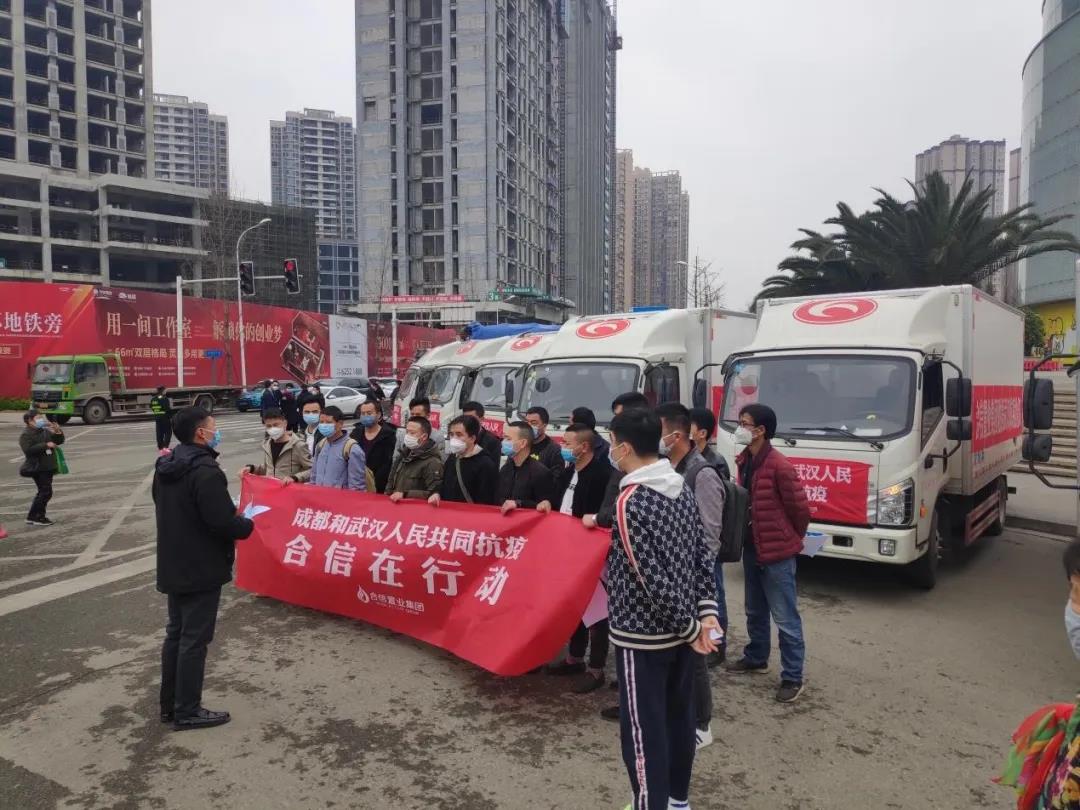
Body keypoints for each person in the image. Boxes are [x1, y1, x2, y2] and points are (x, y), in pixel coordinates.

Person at [605, 408, 720, 810]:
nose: (610, 451)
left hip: (643, 637)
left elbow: (650, 578)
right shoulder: (679, 486)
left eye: (611, 443)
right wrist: (705, 615)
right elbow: (701, 556)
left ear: (624, 447)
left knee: (643, 733)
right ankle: (677, 801)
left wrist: (691, 627)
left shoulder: (630, 501)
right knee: (679, 720)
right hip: (683, 633)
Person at [153, 406, 254, 730]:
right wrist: (247, 524)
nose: (216, 431)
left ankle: (170, 705)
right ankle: (187, 710)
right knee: (194, 639)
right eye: (213, 426)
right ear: (201, 433)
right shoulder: (206, 471)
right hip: (201, 565)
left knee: (177, 634)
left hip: (174, 562)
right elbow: (222, 522)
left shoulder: (166, 465)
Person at [726, 403, 810, 704]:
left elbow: (800, 510)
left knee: (785, 617)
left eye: (744, 423)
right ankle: (756, 657)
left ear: (760, 430)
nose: (740, 428)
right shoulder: (745, 459)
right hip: (752, 547)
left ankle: (792, 677)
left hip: (777, 553)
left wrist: (789, 539)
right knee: (755, 609)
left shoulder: (779, 466)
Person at [656, 402, 726, 750]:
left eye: (660, 432)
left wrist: (697, 584)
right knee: (678, 652)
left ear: (677, 436)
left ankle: (702, 723)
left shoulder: (702, 473)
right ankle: (679, 714)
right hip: (672, 576)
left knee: (696, 653)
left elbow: (709, 537)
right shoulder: (669, 469)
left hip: (692, 580)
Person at [538, 423, 613, 693]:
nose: (563, 448)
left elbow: (605, 515)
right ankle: (575, 657)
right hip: (567, 552)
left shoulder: (603, 475)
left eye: (568, 444)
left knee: (597, 612)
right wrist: (548, 503)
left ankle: (596, 669)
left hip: (592, 554)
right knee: (575, 606)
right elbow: (559, 500)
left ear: (584, 447)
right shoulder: (569, 471)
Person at [584, 392, 651, 532]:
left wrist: (596, 519)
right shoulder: (620, 466)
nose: (614, 422)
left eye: (618, 416)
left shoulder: (640, 491)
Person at [429, 415, 499, 507]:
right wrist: (436, 493)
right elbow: (444, 483)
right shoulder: (453, 458)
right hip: (448, 511)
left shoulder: (485, 464)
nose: (454, 439)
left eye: (459, 435)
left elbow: (485, 500)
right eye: (451, 434)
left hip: (469, 514)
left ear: (472, 438)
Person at [496, 421, 555, 515]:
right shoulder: (505, 469)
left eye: (508, 439)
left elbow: (544, 507)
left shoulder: (540, 473)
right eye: (504, 438)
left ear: (523, 443)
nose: (503, 442)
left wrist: (519, 504)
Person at [19, 409, 65, 527]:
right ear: (30, 420)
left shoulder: (44, 431)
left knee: (44, 492)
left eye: (41, 417)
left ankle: (32, 516)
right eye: (38, 418)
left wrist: (58, 431)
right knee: (46, 492)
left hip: (47, 466)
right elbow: (28, 450)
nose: (41, 420)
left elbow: (59, 441)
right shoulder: (26, 434)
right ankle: (38, 517)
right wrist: (45, 445)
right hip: (38, 467)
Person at [242, 407, 311, 483]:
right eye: (269, 426)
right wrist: (252, 468)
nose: (272, 429)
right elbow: (268, 468)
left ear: (285, 423)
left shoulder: (298, 445)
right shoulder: (267, 445)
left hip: (290, 489)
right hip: (272, 488)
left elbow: (312, 470)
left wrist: (295, 478)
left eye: (276, 425)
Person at [310, 406, 368, 491]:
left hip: (340, 498)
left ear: (340, 424)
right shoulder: (320, 445)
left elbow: (357, 486)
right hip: (320, 496)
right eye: (321, 422)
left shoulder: (352, 449)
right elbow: (314, 476)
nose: (324, 425)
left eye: (328, 422)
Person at [387, 415, 444, 501]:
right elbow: (391, 482)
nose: (407, 436)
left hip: (415, 507)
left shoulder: (433, 462)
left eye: (412, 433)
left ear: (424, 437)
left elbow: (434, 493)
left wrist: (405, 494)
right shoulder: (403, 455)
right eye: (407, 432)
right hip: (395, 504)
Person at [350, 399, 397, 494]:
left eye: (369, 413)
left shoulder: (388, 436)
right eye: (363, 413)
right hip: (357, 484)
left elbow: (388, 464)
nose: (365, 416)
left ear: (378, 415)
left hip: (379, 487)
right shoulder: (355, 434)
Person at [524, 406, 566, 487]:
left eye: (533, 423)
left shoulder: (554, 450)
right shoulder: (521, 445)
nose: (528, 426)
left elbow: (555, 481)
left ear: (544, 425)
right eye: (527, 422)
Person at [689, 406, 731, 481]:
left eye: (688, 427)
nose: (683, 430)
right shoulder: (682, 456)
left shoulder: (718, 462)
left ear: (702, 433)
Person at [462, 401, 502, 466]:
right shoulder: (460, 437)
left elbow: (493, 468)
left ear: (482, 419)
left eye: (472, 418)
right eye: (465, 418)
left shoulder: (493, 442)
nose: (468, 421)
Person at [150, 385, 173, 453]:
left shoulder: (153, 399)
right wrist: (171, 416)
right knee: (168, 432)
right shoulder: (164, 398)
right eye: (165, 390)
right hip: (165, 418)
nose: (166, 391)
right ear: (162, 391)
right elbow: (167, 409)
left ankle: (160, 447)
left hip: (157, 418)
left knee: (159, 433)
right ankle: (165, 447)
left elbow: (152, 407)